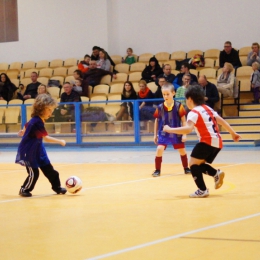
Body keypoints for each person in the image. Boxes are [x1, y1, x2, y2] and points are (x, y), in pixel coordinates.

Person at [163, 85, 241, 198]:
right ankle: (216, 174)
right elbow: (221, 121)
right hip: (217, 142)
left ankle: (202, 189)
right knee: (198, 164)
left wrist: (170, 129)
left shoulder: (193, 112)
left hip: (206, 141)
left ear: (190, 99)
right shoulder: (208, 108)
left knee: (192, 164)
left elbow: (188, 129)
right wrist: (233, 133)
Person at [15, 94, 67, 197]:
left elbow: (27, 125)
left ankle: (57, 188)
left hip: (38, 150)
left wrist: (23, 131)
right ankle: (24, 189)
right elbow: (46, 138)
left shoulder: (36, 120)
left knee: (51, 172)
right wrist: (60, 141)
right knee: (34, 173)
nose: (51, 113)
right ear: (41, 108)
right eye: (49, 110)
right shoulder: (37, 122)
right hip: (29, 151)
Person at [153, 83, 191, 176]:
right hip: (163, 133)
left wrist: (184, 134)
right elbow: (156, 121)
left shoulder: (179, 106)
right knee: (159, 149)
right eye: (164, 94)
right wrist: (155, 135)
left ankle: (186, 168)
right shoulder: (160, 107)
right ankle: (157, 170)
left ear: (173, 93)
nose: (165, 96)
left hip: (177, 132)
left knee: (182, 150)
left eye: (167, 94)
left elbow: (183, 121)